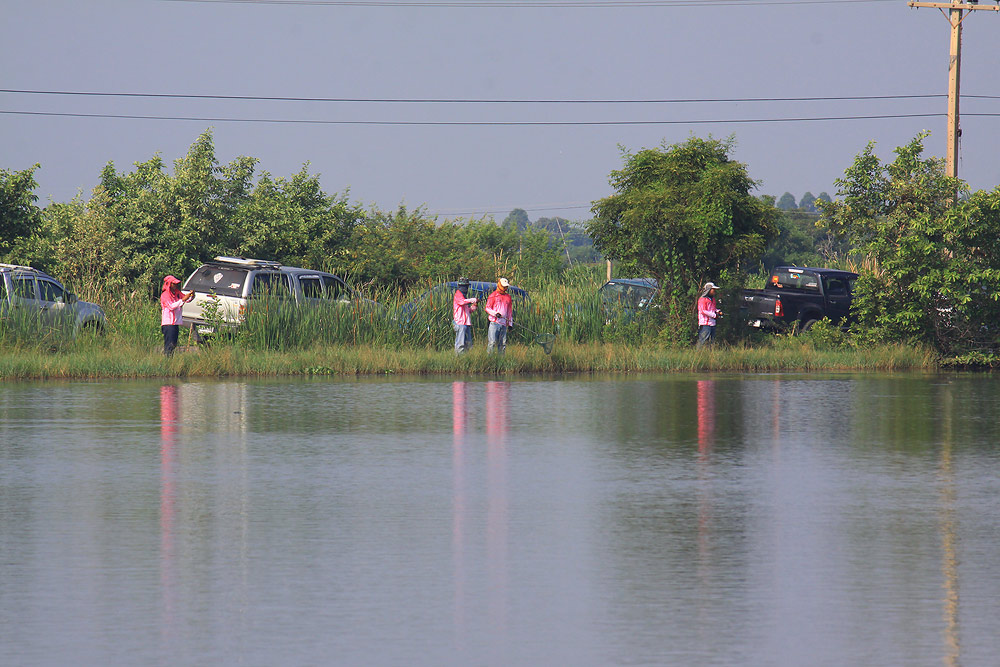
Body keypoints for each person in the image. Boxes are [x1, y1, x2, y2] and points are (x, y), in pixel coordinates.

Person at [160, 275, 194, 355]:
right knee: (169, 345)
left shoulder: (176, 293)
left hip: (175, 323)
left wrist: (191, 296)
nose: (176, 285)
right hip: (168, 324)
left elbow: (186, 299)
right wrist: (183, 300)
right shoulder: (165, 295)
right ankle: (167, 360)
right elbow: (171, 306)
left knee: (174, 344)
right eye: (174, 284)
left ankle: (170, 360)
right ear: (169, 284)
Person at [485, 278, 515, 355]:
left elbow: (509, 312)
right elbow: (487, 308)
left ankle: (501, 359)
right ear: (499, 285)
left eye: (506, 287)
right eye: (504, 286)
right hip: (494, 323)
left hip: (504, 324)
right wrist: (495, 313)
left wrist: (510, 324)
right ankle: (489, 359)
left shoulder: (508, 297)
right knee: (492, 342)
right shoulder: (493, 296)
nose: (505, 288)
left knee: (503, 343)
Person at [452, 277, 477, 354]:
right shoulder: (458, 295)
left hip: (466, 323)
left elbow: (467, 311)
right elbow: (462, 302)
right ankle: (459, 359)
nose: (466, 288)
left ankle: (466, 358)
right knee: (460, 344)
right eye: (465, 286)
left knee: (468, 344)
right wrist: (473, 299)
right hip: (460, 323)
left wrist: (474, 306)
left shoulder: (463, 297)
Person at [696, 281, 722, 347]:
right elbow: (703, 311)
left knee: (711, 342)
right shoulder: (702, 299)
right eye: (713, 290)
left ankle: (709, 355)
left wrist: (718, 311)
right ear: (709, 290)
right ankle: (698, 354)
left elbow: (713, 309)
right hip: (705, 324)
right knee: (702, 340)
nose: (714, 291)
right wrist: (714, 315)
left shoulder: (713, 299)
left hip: (712, 323)